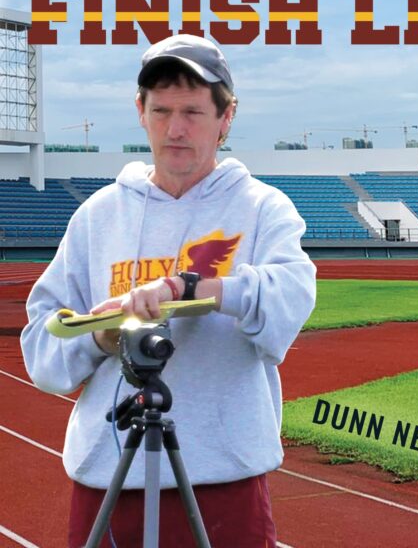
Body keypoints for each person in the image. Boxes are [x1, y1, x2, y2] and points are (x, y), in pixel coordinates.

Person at [21, 35, 317, 548]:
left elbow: (290, 296)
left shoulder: (262, 208)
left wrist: (190, 287)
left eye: (193, 112)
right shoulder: (98, 216)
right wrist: (100, 338)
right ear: (140, 111)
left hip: (223, 479)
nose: (175, 130)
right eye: (160, 111)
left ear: (227, 118)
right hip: (109, 478)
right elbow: (41, 352)